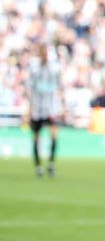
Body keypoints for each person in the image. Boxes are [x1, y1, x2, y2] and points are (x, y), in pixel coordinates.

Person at [26, 44, 62, 178]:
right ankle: (38, 166)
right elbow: (28, 88)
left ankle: (51, 163)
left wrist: (61, 105)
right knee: (36, 138)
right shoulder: (34, 68)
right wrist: (29, 108)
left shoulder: (55, 68)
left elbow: (59, 86)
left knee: (54, 135)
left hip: (50, 108)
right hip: (37, 108)